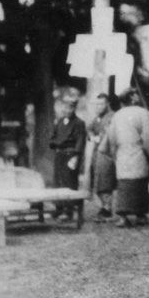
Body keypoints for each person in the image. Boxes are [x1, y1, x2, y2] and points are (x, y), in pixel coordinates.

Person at [100, 88, 149, 228]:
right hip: (138, 152)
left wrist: (115, 154)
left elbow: (111, 138)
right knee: (139, 184)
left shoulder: (117, 115)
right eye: (135, 95)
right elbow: (148, 137)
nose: (137, 96)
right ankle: (141, 215)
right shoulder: (143, 113)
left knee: (124, 185)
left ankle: (123, 216)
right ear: (132, 98)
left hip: (122, 153)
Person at [50, 94, 86, 222]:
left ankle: (68, 211)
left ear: (74, 108)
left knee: (69, 182)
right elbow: (53, 137)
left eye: (70, 107)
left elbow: (80, 142)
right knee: (58, 181)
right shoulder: (59, 121)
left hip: (70, 155)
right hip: (59, 155)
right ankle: (59, 208)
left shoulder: (79, 123)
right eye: (64, 107)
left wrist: (76, 157)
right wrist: (55, 143)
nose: (67, 110)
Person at [87, 93, 116, 222]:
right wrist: (92, 135)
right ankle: (104, 207)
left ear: (107, 104)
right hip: (97, 153)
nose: (99, 107)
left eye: (102, 104)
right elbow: (89, 128)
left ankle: (107, 209)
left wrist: (102, 138)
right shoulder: (97, 118)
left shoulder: (112, 117)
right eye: (97, 104)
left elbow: (111, 134)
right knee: (97, 180)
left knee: (105, 180)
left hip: (107, 153)